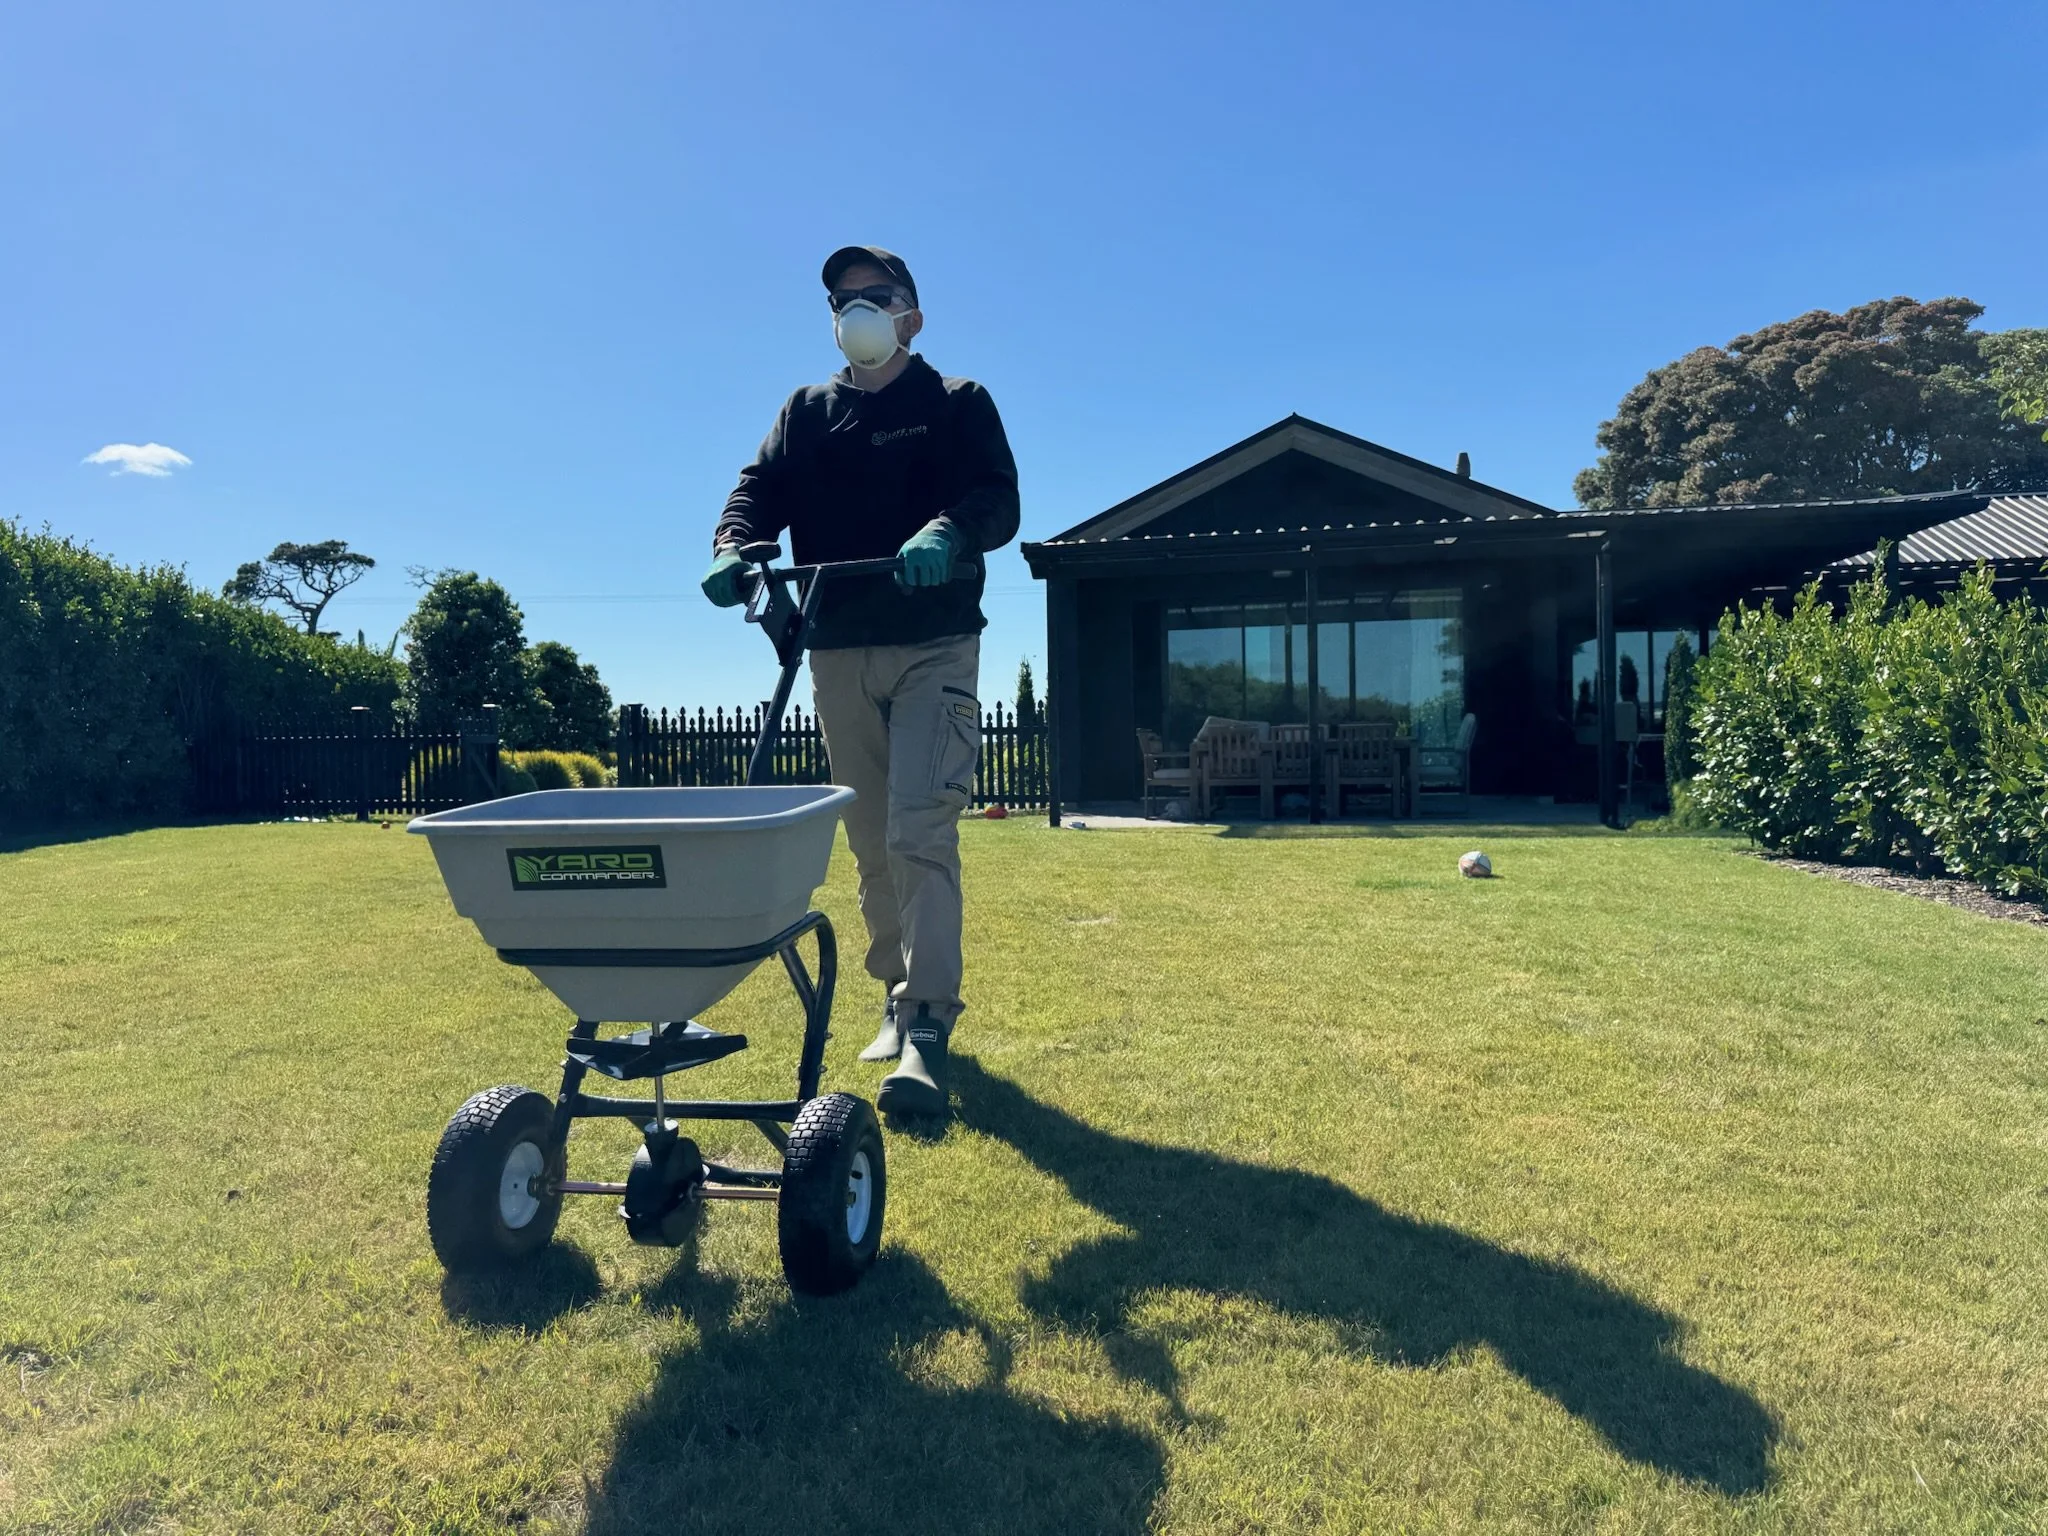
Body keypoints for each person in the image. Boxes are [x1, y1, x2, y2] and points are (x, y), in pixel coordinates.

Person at [702, 246, 1019, 1120]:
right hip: (836, 644)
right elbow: (755, 490)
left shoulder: (956, 403)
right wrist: (734, 548)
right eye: (842, 300)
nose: (856, 311)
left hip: (934, 643)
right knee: (871, 840)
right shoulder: (808, 412)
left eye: (874, 297)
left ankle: (927, 1024)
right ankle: (893, 993)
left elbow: (999, 496)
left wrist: (949, 532)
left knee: (921, 829)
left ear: (912, 315)